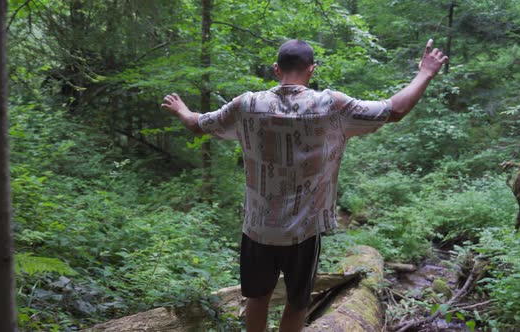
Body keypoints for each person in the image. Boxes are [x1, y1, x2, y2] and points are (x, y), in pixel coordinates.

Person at [161, 39, 447, 332]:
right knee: (297, 303)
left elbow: (198, 123)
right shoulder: (331, 106)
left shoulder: (247, 104)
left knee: (257, 298)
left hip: (258, 228)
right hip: (303, 231)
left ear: (276, 69)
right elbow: (394, 110)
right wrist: (425, 73)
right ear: (311, 70)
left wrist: (181, 109)